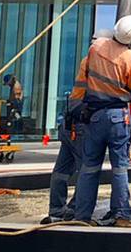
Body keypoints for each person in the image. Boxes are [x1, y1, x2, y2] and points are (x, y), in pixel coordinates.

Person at [71, 14, 131, 227]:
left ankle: (82, 216)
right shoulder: (130, 57)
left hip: (94, 115)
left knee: (89, 166)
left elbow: (87, 75)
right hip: (117, 116)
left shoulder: (96, 49)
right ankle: (121, 214)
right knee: (120, 167)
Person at [42, 84, 85, 224]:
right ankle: (74, 209)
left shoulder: (86, 69)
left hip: (69, 123)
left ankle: (56, 209)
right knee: (87, 170)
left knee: (62, 169)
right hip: (80, 125)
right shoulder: (100, 70)